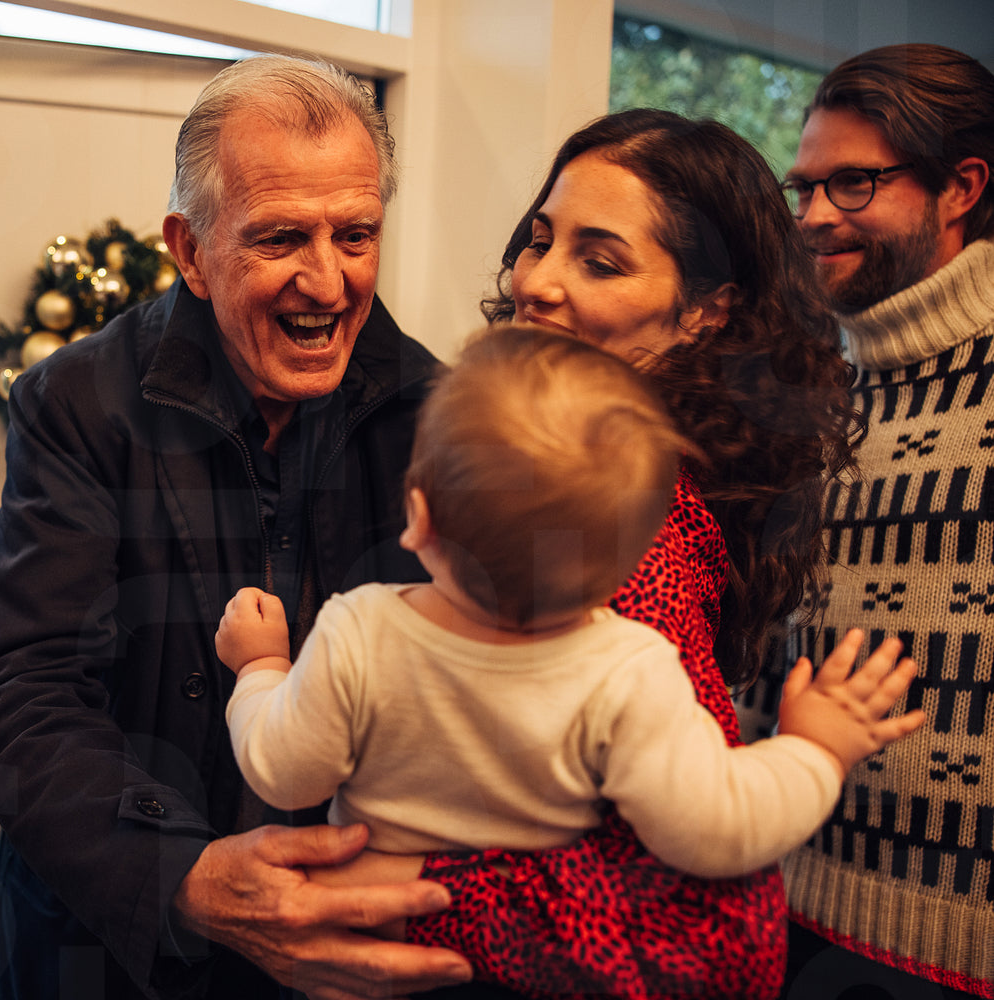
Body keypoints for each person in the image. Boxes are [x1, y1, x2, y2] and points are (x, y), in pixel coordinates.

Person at [0, 54, 475, 1000]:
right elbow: (17, 693)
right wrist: (179, 877)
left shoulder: (436, 413)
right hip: (106, 960)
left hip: (344, 952)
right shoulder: (77, 400)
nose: (328, 282)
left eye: (356, 235)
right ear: (190, 251)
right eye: (281, 238)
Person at [312, 108, 861, 1000]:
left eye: (600, 261)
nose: (537, 282)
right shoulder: (567, 485)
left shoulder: (633, 540)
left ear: (706, 311)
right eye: (540, 242)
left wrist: (408, 886)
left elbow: (706, 929)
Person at [217, 324, 921, 892]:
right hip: (521, 964)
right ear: (632, 557)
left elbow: (283, 772)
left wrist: (261, 667)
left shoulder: (360, 630)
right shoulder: (631, 667)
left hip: (369, 947)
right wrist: (815, 751)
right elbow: (717, 831)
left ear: (419, 517)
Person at [739, 43, 994, 999]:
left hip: (963, 949)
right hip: (791, 909)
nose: (813, 217)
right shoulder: (810, 389)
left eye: (853, 184)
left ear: (962, 187)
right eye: (803, 188)